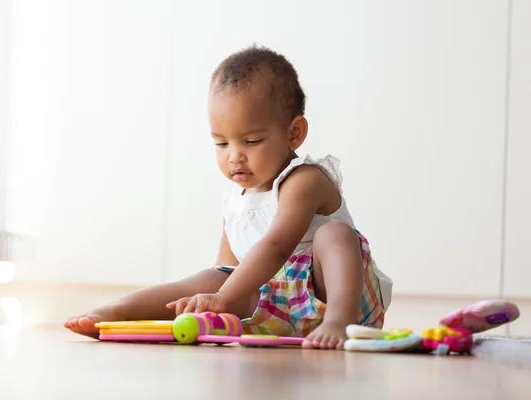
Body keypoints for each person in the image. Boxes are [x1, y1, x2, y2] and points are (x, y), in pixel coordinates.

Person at [64, 45, 392, 349]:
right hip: (277, 309)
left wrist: (222, 298)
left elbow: (276, 246)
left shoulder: (303, 180)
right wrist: (215, 299)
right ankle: (123, 310)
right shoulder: (236, 195)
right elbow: (228, 269)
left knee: (334, 235)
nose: (234, 156)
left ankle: (338, 321)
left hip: (336, 299)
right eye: (222, 143)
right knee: (213, 276)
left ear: (293, 134)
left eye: (250, 141)